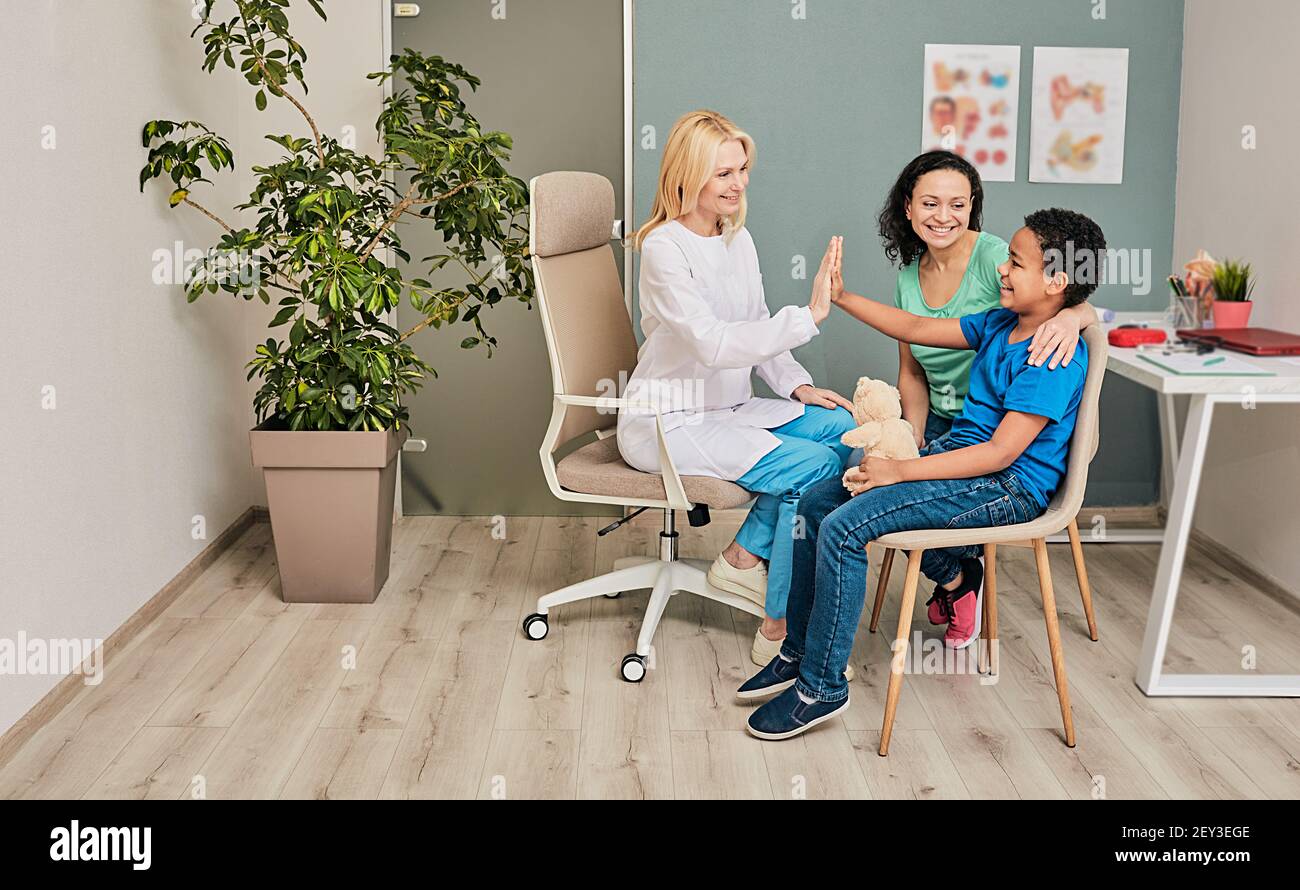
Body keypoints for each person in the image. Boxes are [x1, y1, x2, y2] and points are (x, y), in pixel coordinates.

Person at [740, 209, 1106, 741]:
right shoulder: (1000, 323)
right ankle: (799, 652)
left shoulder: (1052, 357)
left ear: (1057, 281)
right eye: (1007, 258)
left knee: (845, 527)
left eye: (1017, 263)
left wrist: (901, 470)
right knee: (820, 499)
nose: (1003, 269)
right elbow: (915, 328)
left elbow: (1001, 454)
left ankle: (821, 689)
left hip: (1005, 488)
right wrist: (841, 298)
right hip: (961, 462)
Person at [618, 110, 855, 666]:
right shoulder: (663, 248)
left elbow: (757, 323)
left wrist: (797, 386)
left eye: (742, 170)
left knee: (845, 430)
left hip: (730, 408)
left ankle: (741, 557)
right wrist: (813, 314)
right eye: (723, 173)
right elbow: (714, 344)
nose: (738, 183)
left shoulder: (736, 239)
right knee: (816, 467)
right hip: (669, 422)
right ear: (686, 174)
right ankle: (780, 619)